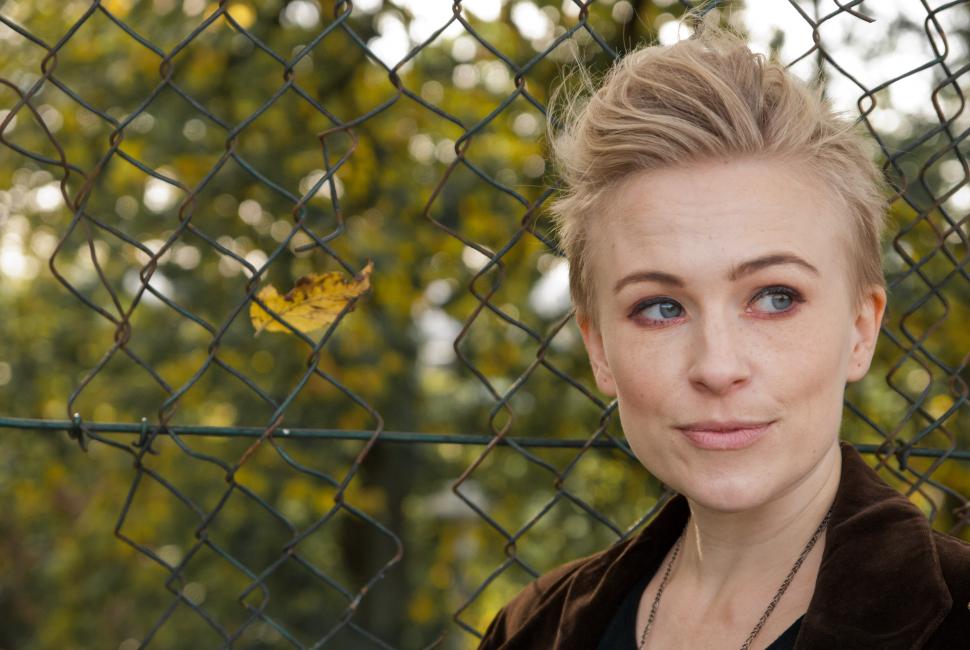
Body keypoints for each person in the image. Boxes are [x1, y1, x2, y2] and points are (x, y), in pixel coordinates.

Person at [478, 10, 970, 650]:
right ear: (599, 348)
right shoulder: (531, 628)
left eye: (774, 298)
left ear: (859, 330)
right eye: (661, 308)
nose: (716, 367)